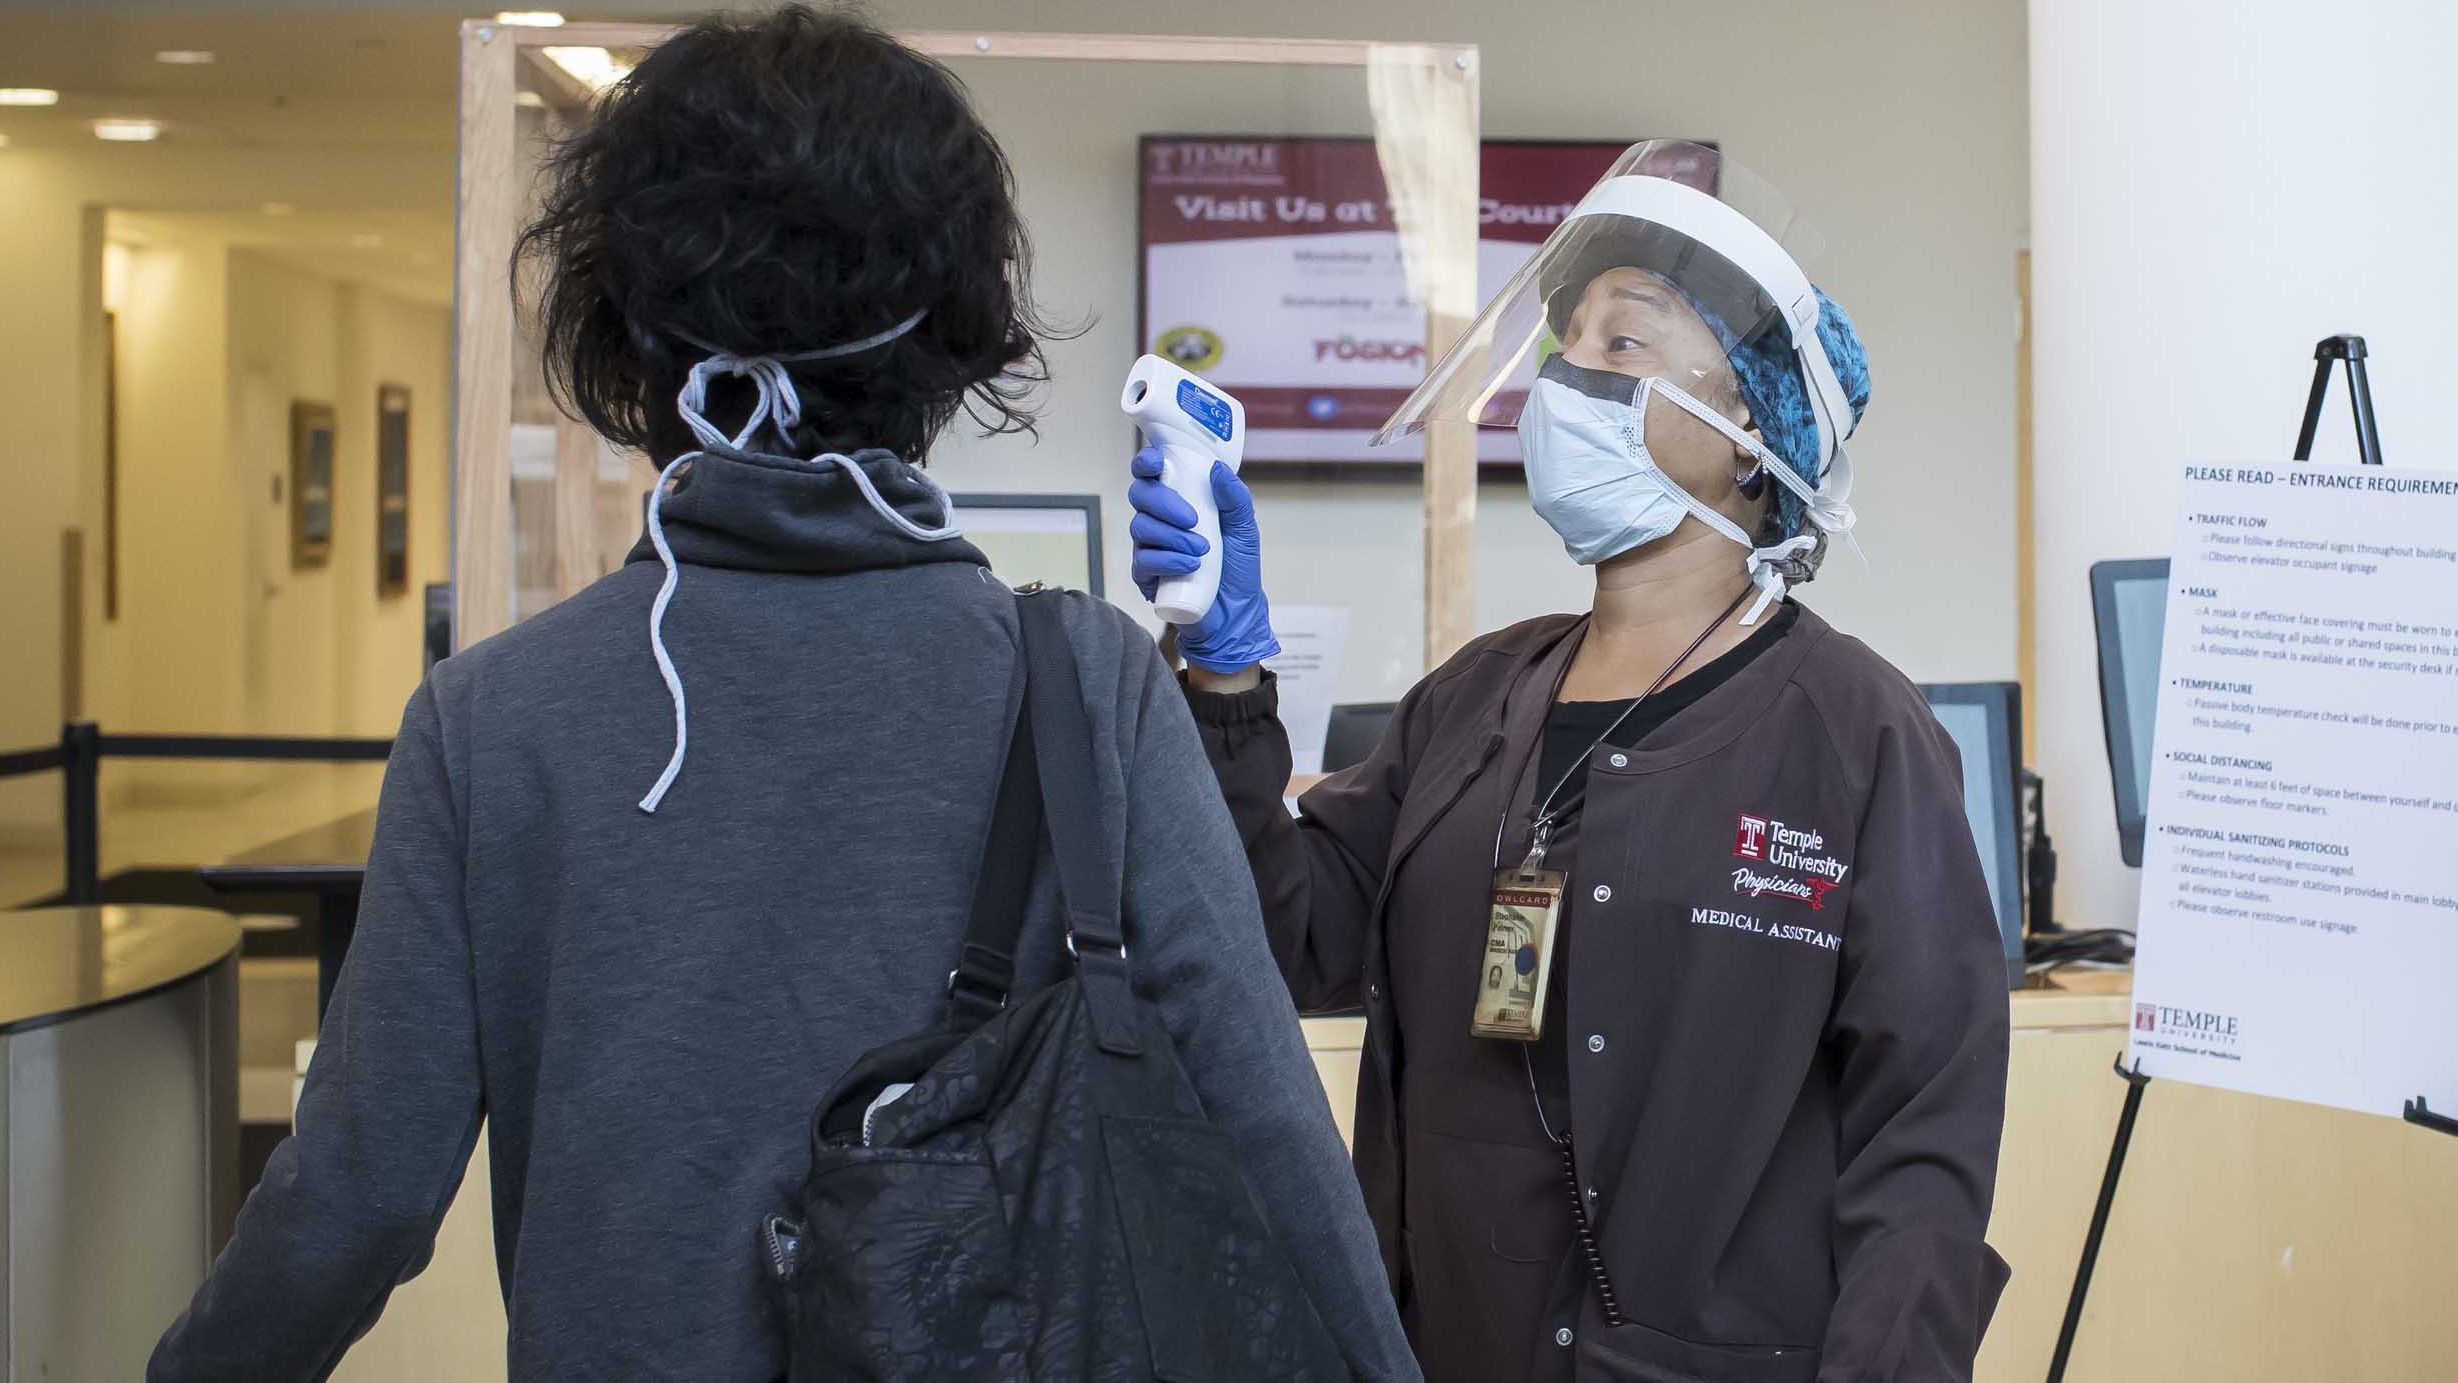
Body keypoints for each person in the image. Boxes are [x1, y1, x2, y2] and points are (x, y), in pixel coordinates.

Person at [151, 9, 1417, 1379]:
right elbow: (1270, 1136)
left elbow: (355, 1197)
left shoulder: (492, 719)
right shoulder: (1088, 681)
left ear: (630, 340)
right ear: (950, 337)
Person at [1129, 142, 2011, 1382]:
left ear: (1752, 425)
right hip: (1440, 1348)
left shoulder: (1856, 731)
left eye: (1622, 343)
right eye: (1565, 341)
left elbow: (1921, 1136)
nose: (1563, 377)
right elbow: (1289, 938)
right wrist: (1225, 684)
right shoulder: (1475, 695)